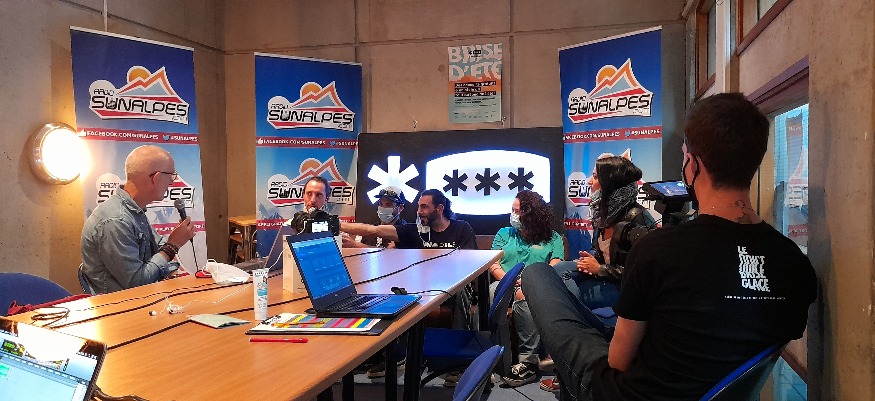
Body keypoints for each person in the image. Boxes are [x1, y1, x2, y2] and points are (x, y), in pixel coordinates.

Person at [523, 93, 817, 400]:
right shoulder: (796, 265)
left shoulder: (657, 250)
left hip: (623, 394)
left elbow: (618, 361)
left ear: (693, 165)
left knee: (536, 274)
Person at [80, 145, 196, 294]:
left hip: (144, 297)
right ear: (156, 177)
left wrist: (172, 257)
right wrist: (173, 245)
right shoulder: (116, 220)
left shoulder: (134, 210)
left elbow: (158, 247)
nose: (172, 182)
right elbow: (137, 283)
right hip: (124, 304)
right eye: (171, 175)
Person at [486, 190, 564, 387]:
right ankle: (494, 357)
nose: (513, 215)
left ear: (531, 214)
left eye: (517, 211)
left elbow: (555, 265)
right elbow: (493, 264)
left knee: (524, 295)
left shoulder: (552, 238)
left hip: (536, 285)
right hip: (505, 281)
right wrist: (509, 280)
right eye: (512, 210)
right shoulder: (504, 234)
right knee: (492, 293)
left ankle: (527, 362)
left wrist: (530, 281)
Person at [341, 188, 476, 250]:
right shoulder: (413, 231)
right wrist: (339, 225)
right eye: (419, 207)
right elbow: (372, 230)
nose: (419, 212)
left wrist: (356, 246)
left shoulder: (461, 228)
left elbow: (471, 263)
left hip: (455, 287)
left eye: (424, 207)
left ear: (439, 209)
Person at [342, 186, 408, 249]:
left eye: (388, 205)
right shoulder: (370, 230)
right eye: (381, 204)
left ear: (400, 208)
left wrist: (356, 245)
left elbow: (390, 254)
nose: (383, 208)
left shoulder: (404, 232)